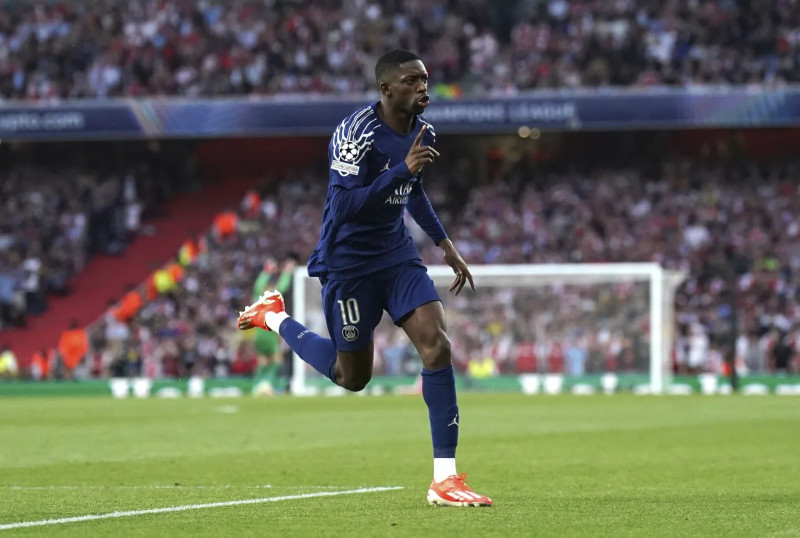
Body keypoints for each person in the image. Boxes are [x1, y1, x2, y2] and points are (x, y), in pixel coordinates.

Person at [237, 49, 492, 507]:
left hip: (396, 255)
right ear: (386, 89)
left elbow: (411, 191)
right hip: (348, 264)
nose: (423, 88)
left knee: (437, 346)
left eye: (425, 79)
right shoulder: (354, 134)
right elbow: (344, 206)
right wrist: (401, 171)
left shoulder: (423, 132)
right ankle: (273, 317)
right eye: (412, 81)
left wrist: (444, 243)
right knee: (351, 376)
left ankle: (445, 479)